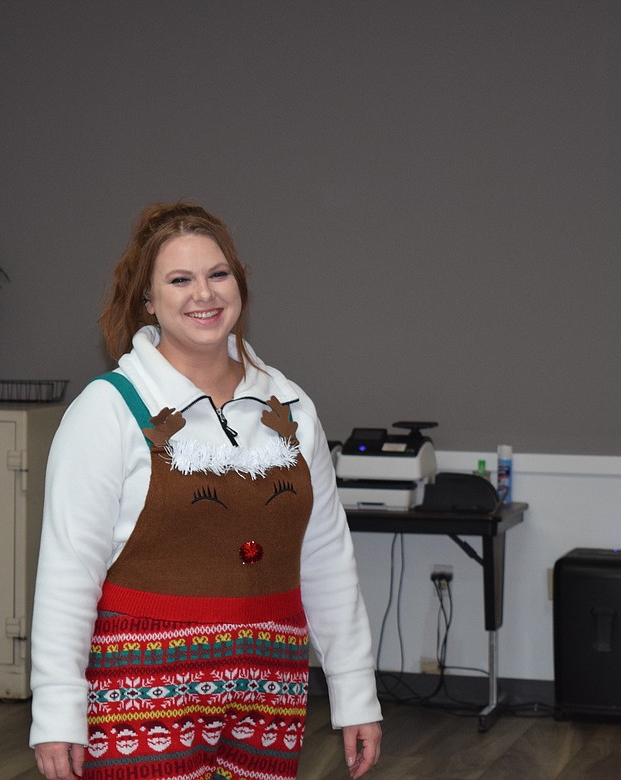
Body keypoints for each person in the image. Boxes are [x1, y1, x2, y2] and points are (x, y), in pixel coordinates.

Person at [29, 202, 382, 780]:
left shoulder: (290, 407)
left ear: (238, 286)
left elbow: (326, 558)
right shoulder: (108, 410)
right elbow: (69, 572)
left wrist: (355, 694)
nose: (204, 294)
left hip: (272, 687)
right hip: (141, 689)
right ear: (148, 299)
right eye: (179, 279)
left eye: (218, 274)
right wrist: (57, 713)